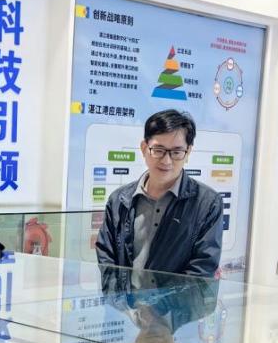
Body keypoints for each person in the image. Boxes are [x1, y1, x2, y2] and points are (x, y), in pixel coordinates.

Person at [95, 109, 223, 282]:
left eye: (176, 152)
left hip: (177, 301)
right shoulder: (118, 200)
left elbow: (201, 270)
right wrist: (117, 298)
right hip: (123, 300)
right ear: (144, 148)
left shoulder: (208, 204)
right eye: (158, 150)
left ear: (188, 153)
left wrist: (158, 301)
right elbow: (106, 260)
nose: (166, 161)